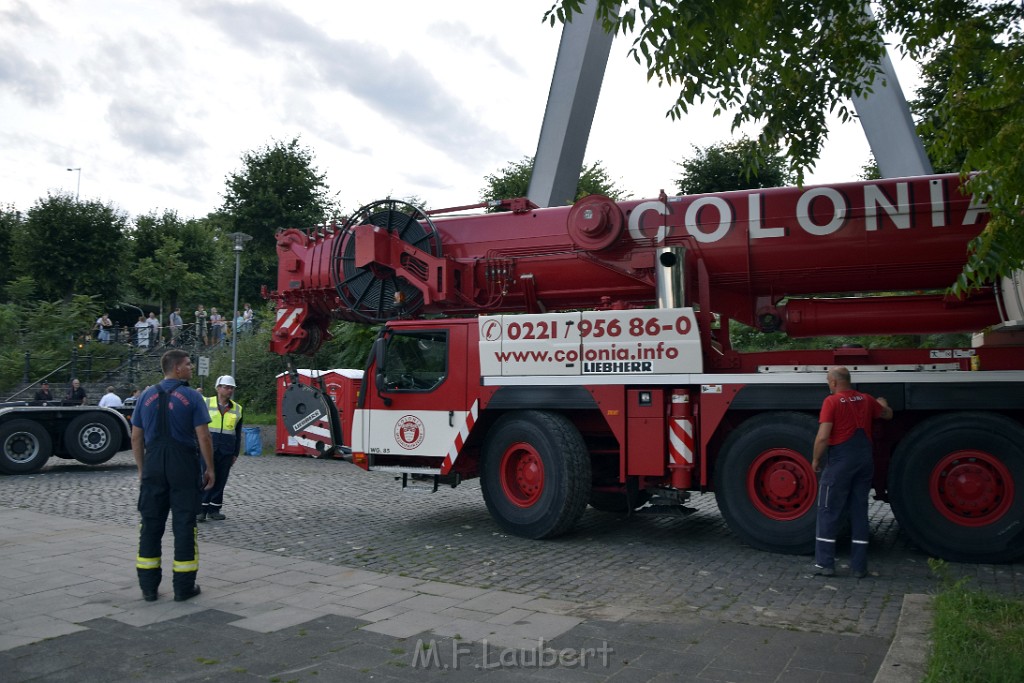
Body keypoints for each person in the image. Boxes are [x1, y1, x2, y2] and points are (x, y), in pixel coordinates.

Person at [132, 349, 214, 603]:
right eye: (188, 364)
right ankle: (183, 587)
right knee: (184, 524)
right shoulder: (191, 397)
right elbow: (203, 435)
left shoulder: (145, 396)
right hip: (183, 465)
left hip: (154, 462)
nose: (191, 367)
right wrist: (210, 468)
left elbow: (136, 436)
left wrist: (142, 468)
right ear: (177, 368)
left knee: (150, 525)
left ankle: (148, 588)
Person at [812, 366, 893, 578]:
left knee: (828, 509)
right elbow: (887, 414)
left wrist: (816, 459)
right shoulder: (866, 399)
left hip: (840, 462)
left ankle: (825, 564)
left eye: (829, 382)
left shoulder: (831, 402)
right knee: (859, 510)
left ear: (834, 382)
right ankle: (859, 567)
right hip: (864, 461)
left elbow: (822, 436)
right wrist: (882, 401)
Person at [199, 375, 243, 522]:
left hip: (227, 449)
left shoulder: (237, 409)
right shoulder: (205, 403)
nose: (229, 390)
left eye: (232, 388)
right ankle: (201, 510)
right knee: (205, 477)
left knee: (221, 479)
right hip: (207, 448)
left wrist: (235, 453)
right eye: (226, 387)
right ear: (218, 388)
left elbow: (237, 433)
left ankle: (214, 508)